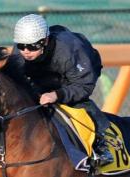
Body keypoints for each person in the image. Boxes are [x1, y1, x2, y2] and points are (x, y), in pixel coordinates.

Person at [13, 14, 113, 166]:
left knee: (79, 105)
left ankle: (101, 145)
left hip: (77, 75)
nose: (26, 51)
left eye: (32, 47)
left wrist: (57, 95)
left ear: (45, 41)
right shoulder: (22, 50)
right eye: (21, 46)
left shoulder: (70, 50)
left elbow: (83, 86)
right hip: (42, 76)